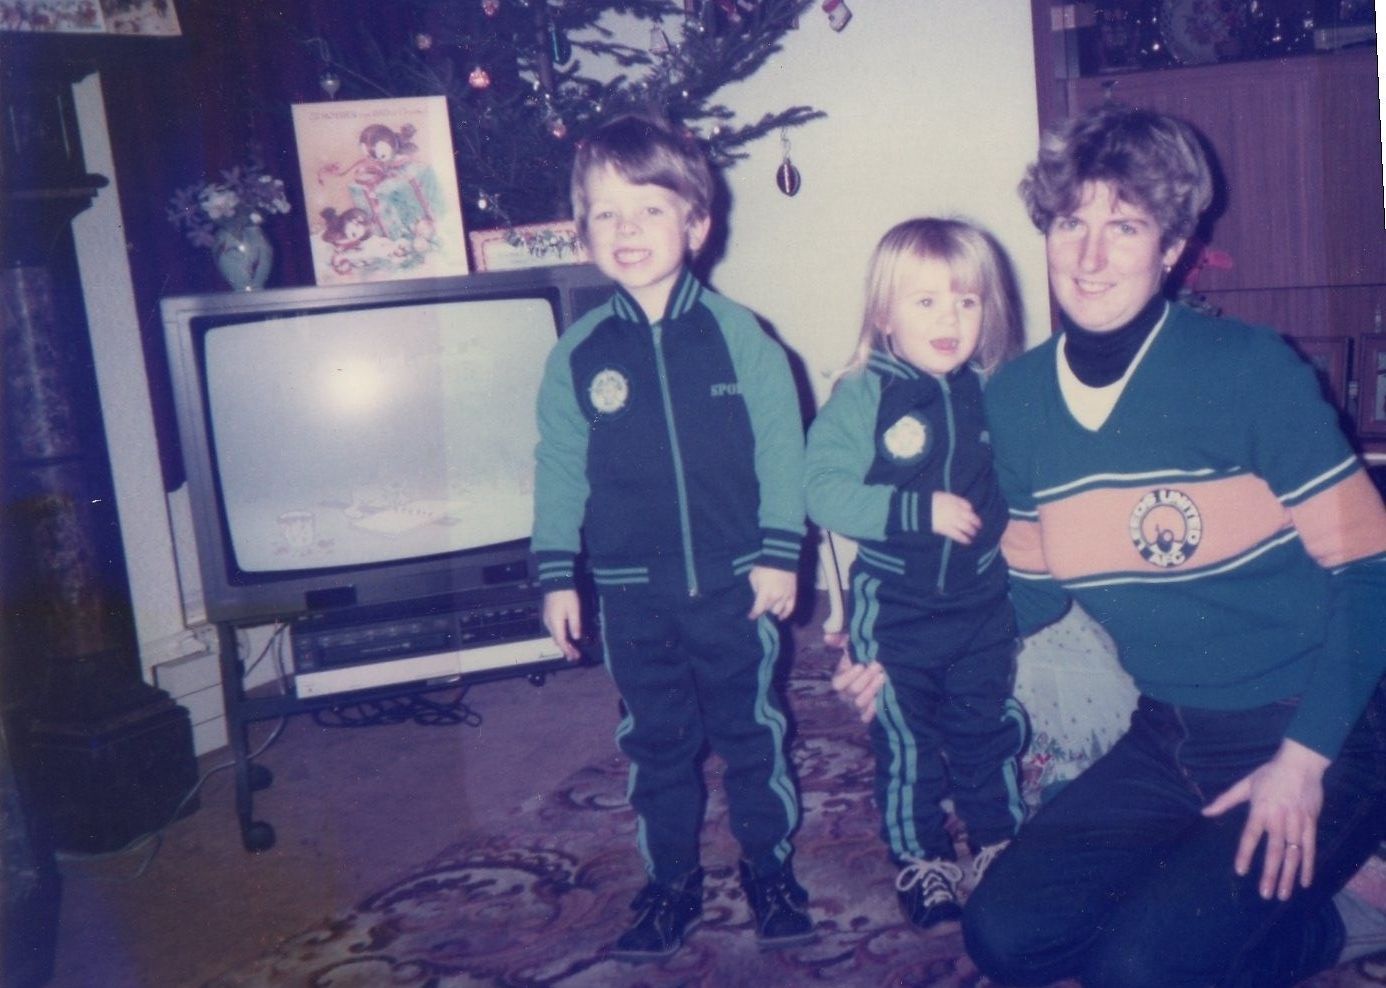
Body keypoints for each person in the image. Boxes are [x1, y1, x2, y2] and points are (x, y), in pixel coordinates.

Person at [928, 102, 1386, 987]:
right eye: (1071, 224)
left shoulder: (1249, 370)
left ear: (1173, 247)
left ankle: (1342, 918)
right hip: (1170, 731)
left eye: (1125, 226)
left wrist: (1302, 762)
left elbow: (1373, 573)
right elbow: (1027, 591)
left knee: (1140, 971)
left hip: (1326, 723)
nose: (1090, 257)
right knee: (1008, 938)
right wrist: (903, 644)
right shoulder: (1015, 402)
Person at [531, 114, 814, 960]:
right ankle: (671, 882)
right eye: (606, 213)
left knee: (752, 735)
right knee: (655, 745)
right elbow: (558, 470)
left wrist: (779, 552)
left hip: (736, 583)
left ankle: (769, 867)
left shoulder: (741, 337)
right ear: (582, 230)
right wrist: (556, 576)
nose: (627, 231)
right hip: (630, 595)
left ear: (696, 223)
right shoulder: (577, 355)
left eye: (650, 210)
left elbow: (783, 449)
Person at [803, 218, 1028, 931]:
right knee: (905, 738)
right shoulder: (864, 394)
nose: (950, 319)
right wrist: (913, 509)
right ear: (883, 314)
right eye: (925, 301)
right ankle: (923, 858)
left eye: (967, 301)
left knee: (981, 729)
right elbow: (821, 489)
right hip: (895, 603)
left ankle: (997, 845)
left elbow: (1019, 481)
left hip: (981, 604)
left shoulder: (992, 390)